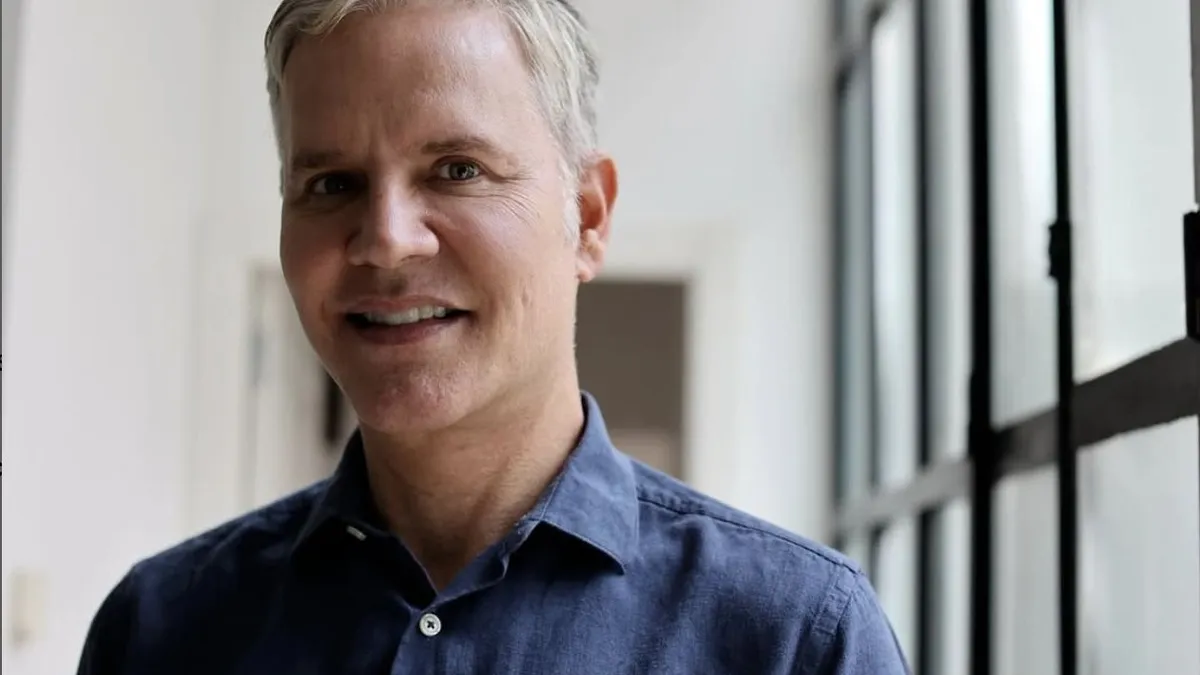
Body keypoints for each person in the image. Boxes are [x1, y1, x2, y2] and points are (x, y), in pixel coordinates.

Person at [76, 1, 909, 673]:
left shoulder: (794, 638)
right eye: (332, 183)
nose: (387, 240)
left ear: (587, 217)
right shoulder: (160, 631)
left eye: (457, 169)